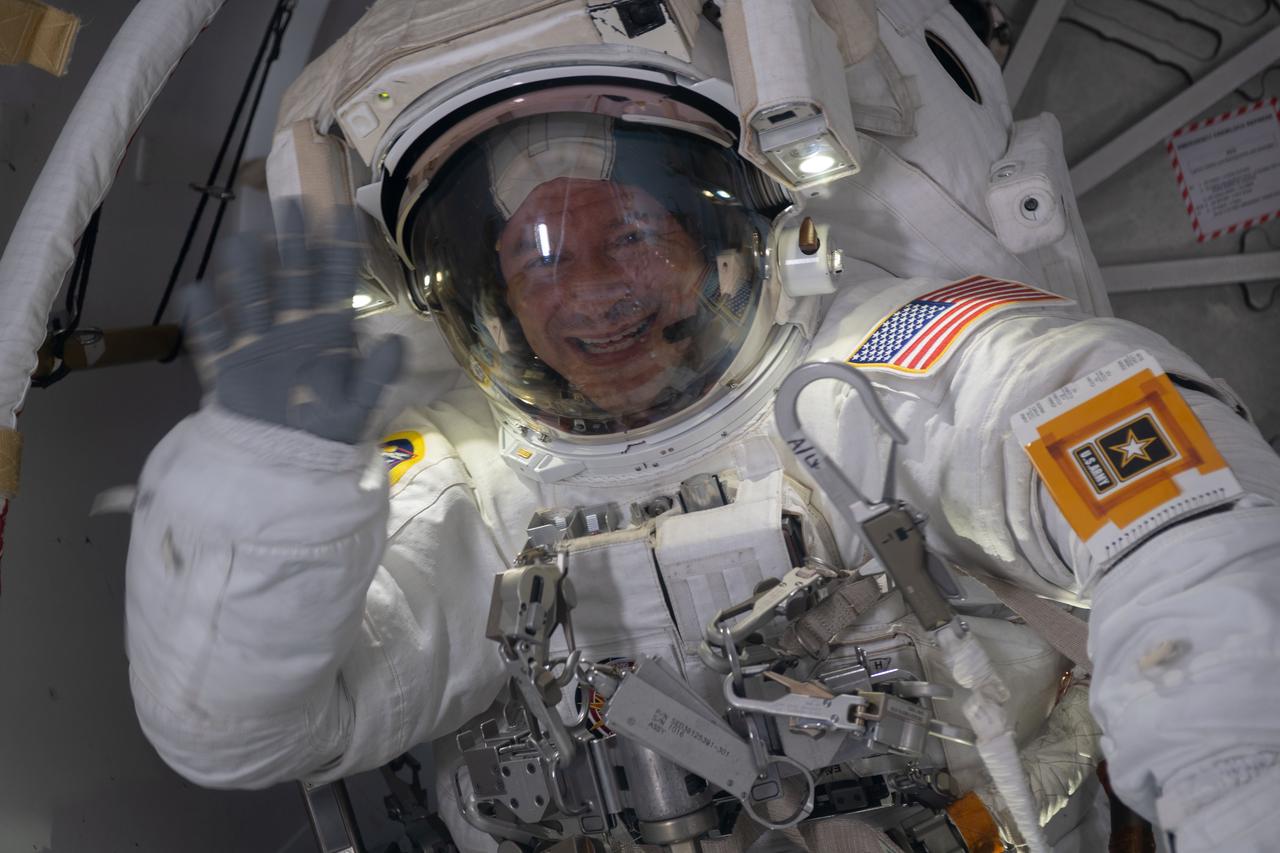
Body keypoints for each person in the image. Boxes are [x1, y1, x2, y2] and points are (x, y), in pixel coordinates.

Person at [123, 2, 1280, 851]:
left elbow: (1191, 552)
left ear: (725, 228)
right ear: (477, 292)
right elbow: (231, 738)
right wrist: (264, 476)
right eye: (533, 258)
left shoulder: (923, 370)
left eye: (627, 233)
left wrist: (1233, 787)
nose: (584, 291)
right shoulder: (468, 481)